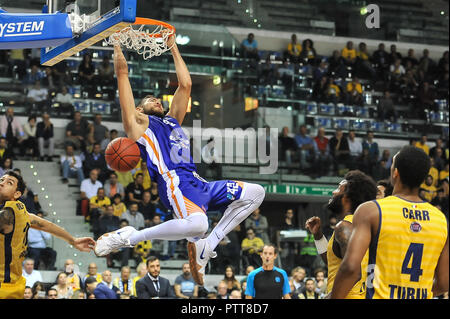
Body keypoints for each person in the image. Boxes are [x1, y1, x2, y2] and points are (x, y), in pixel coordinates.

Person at [95, 40, 266, 287]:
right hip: (174, 183)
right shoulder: (139, 125)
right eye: (150, 100)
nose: (156, 100)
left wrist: (173, 47)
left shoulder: (172, 120)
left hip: (198, 182)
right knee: (198, 224)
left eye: (157, 99)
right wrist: (117, 46)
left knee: (255, 193)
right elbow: (122, 74)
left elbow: (185, 84)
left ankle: (208, 245)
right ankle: (130, 237)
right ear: (140, 110)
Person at [330, 146, 448, 299]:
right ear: (425, 178)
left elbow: (351, 268)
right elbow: (444, 282)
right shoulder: (441, 220)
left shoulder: (372, 210)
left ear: (395, 172)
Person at [0, 170, 95, 299]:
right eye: (1, 180)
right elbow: (45, 225)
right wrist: (72, 240)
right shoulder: (21, 211)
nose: (2, 183)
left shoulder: (7, 214)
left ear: (17, 193)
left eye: (9, 183)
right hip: (14, 285)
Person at [305, 170, 378, 299]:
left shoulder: (344, 227)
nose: (333, 192)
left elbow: (353, 272)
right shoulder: (360, 226)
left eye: (339, 188)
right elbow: (335, 265)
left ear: (347, 198)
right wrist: (318, 236)